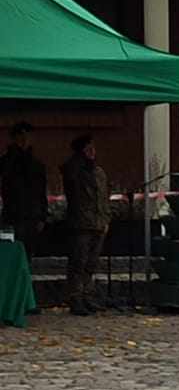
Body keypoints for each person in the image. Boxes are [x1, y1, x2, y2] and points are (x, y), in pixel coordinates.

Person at [59, 133, 111, 314]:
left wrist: (106, 219)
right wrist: (79, 159)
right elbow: (68, 174)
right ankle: (75, 298)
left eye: (93, 149)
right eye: (87, 149)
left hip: (98, 223)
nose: (92, 152)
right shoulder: (74, 170)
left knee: (91, 263)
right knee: (78, 262)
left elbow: (103, 198)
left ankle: (88, 295)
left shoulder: (99, 172)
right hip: (81, 224)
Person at [1, 121, 50, 271]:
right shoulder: (7, 161)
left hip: (32, 216)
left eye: (27, 136)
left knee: (28, 254)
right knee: (14, 253)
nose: (25, 140)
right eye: (21, 136)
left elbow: (41, 191)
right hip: (14, 215)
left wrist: (42, 215)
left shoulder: (36, 164)